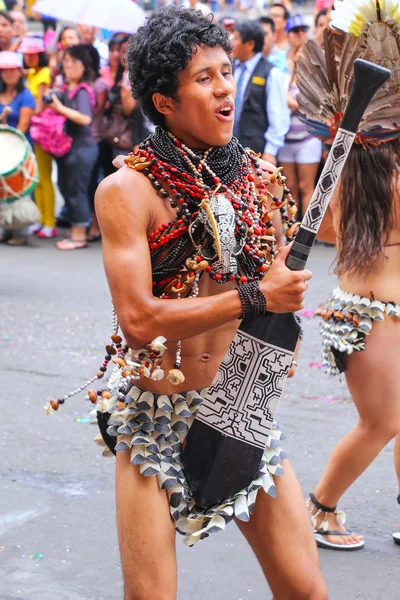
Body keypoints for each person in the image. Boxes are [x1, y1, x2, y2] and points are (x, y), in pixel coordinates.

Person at [89, 7, 326, 599]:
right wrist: (256, 297)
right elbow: (139, 321)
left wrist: (278, 329)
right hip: (153, 418)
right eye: (203, 78)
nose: (224, 86)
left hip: (240, 410)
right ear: (164, 100)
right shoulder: (126, 191)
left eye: (226, 71)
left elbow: (282, 290)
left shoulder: (261, 179)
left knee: (306, 592)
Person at [296, 0, 400, 550]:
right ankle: (320, 509)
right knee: (380, 424)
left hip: (373, 311)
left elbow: (331, 231)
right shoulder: (376, 163)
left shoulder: (354, 158)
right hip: (372, 316)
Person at [50, 44, 98, 250]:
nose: (68, 65)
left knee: (76, 190)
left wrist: (60, 108)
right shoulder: (66, 88)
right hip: (70, 147)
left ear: (83, 65)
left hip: (82, 147)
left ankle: (79, 235)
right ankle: (77, 229)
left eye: (73, 61)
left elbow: (85, 118)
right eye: (66, 61)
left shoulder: (84, 91)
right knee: (66, 186)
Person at [279, 15, 322, 218]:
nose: (300, 34)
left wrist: (291, 102)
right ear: (288, 35)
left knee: (306, 186)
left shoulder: (316, 64)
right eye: (296, 31)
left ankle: (309, 230)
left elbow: (317, 103)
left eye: (304, 30)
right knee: (291, 186)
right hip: (284, 138)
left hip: (307, 137)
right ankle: (292, 232)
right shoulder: (280, 63)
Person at [231, 20, 290, 166]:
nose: (231, 42)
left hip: (257, 150)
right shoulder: (230, 68)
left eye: (236, 38)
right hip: (229, 148)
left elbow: (278, 115)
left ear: (250, 44)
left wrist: (270, 151)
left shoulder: (271, 72)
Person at [21, 36, 57, 239]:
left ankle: (49, 222)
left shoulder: (43, 74)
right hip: (35, 132)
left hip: (42, 132)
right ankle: (42, 219)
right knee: (39, 178)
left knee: (44, 177)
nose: (30, 57)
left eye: (33, 54)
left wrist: (24, 110)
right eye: (27, 54)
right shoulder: (33, 73)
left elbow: (38, 108)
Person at [0, 50, 35, 245]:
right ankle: (5, 228)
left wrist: (8, 133)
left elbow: (23, 125)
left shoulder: (26, 95)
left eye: (12, 69)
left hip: (18, 150)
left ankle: (20, 231)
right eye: (4, 70)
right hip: (0, 149)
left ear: (20, 71)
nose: (8, 73)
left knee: (18, 191)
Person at [268, 2, 291, 69]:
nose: (271, 19)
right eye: (270, 16)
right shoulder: (263, 45)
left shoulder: (291, 45)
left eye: (276, 16)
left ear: (285, 21)